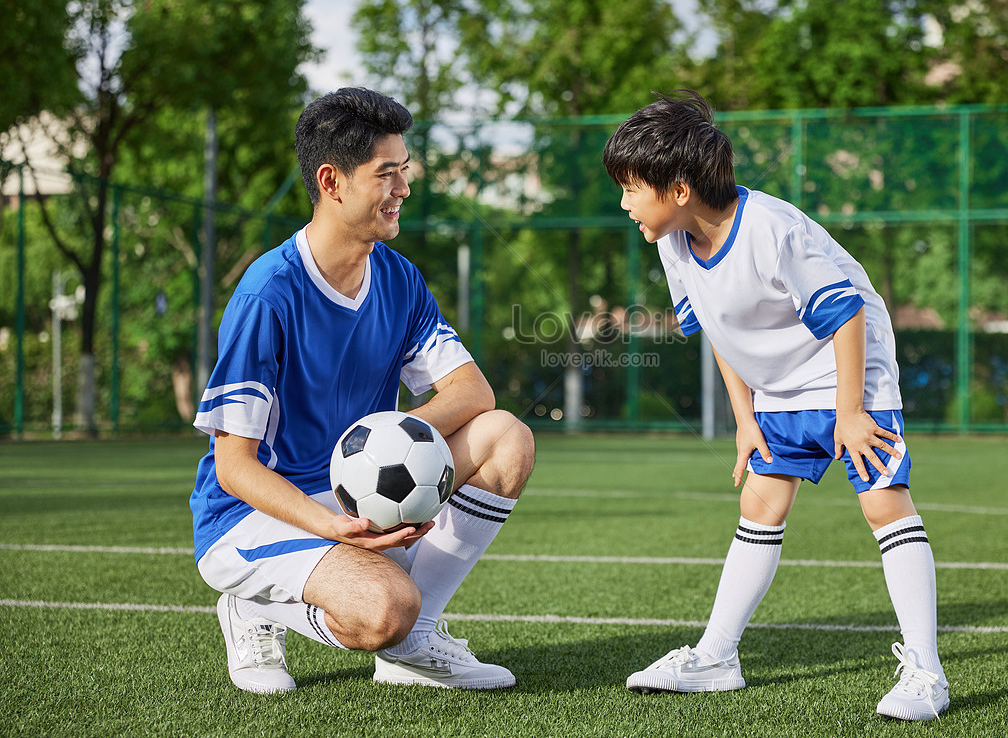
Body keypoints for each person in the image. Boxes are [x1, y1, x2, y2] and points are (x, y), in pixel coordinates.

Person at [601, 91, 948, 721]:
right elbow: (717, 330)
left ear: (679, 188)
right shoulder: (672, 243)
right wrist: (745, 419)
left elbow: (845, 316)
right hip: (777, 386)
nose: (624, 203)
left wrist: (849, 413)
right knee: (760, 501)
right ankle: (717, 658)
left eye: (631, 187)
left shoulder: (773, 230)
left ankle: (926, 671)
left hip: (851, 372)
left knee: (882, 503)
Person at [190, 87, 535, 695]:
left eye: (405, 171)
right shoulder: (268, 293)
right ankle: (253, 605)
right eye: (388, 173)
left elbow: (471, 391)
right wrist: (332, 526)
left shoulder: (398, 278)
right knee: (383, 609)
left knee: (505, 436)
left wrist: (389, 444)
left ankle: (415, 644)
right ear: (333, 181)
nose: (404, 187)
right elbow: (233, 467)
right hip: (254, 514)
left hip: (354, 491)